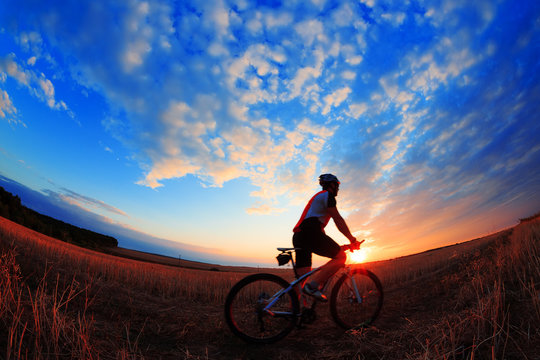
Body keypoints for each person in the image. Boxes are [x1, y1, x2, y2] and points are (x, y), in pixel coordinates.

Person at [292, 173, 359, 302]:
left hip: (300, 235)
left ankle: (293, 313)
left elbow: (322, 241)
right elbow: (338, 219)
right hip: (310, 232)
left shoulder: (318, 202)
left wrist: (344, 247)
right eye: (337, 185)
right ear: (331, 185)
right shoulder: (327, 196)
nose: (338, 189)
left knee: (302, 276)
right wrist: (352, 239)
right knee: (341, 257)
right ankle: (313, 287)